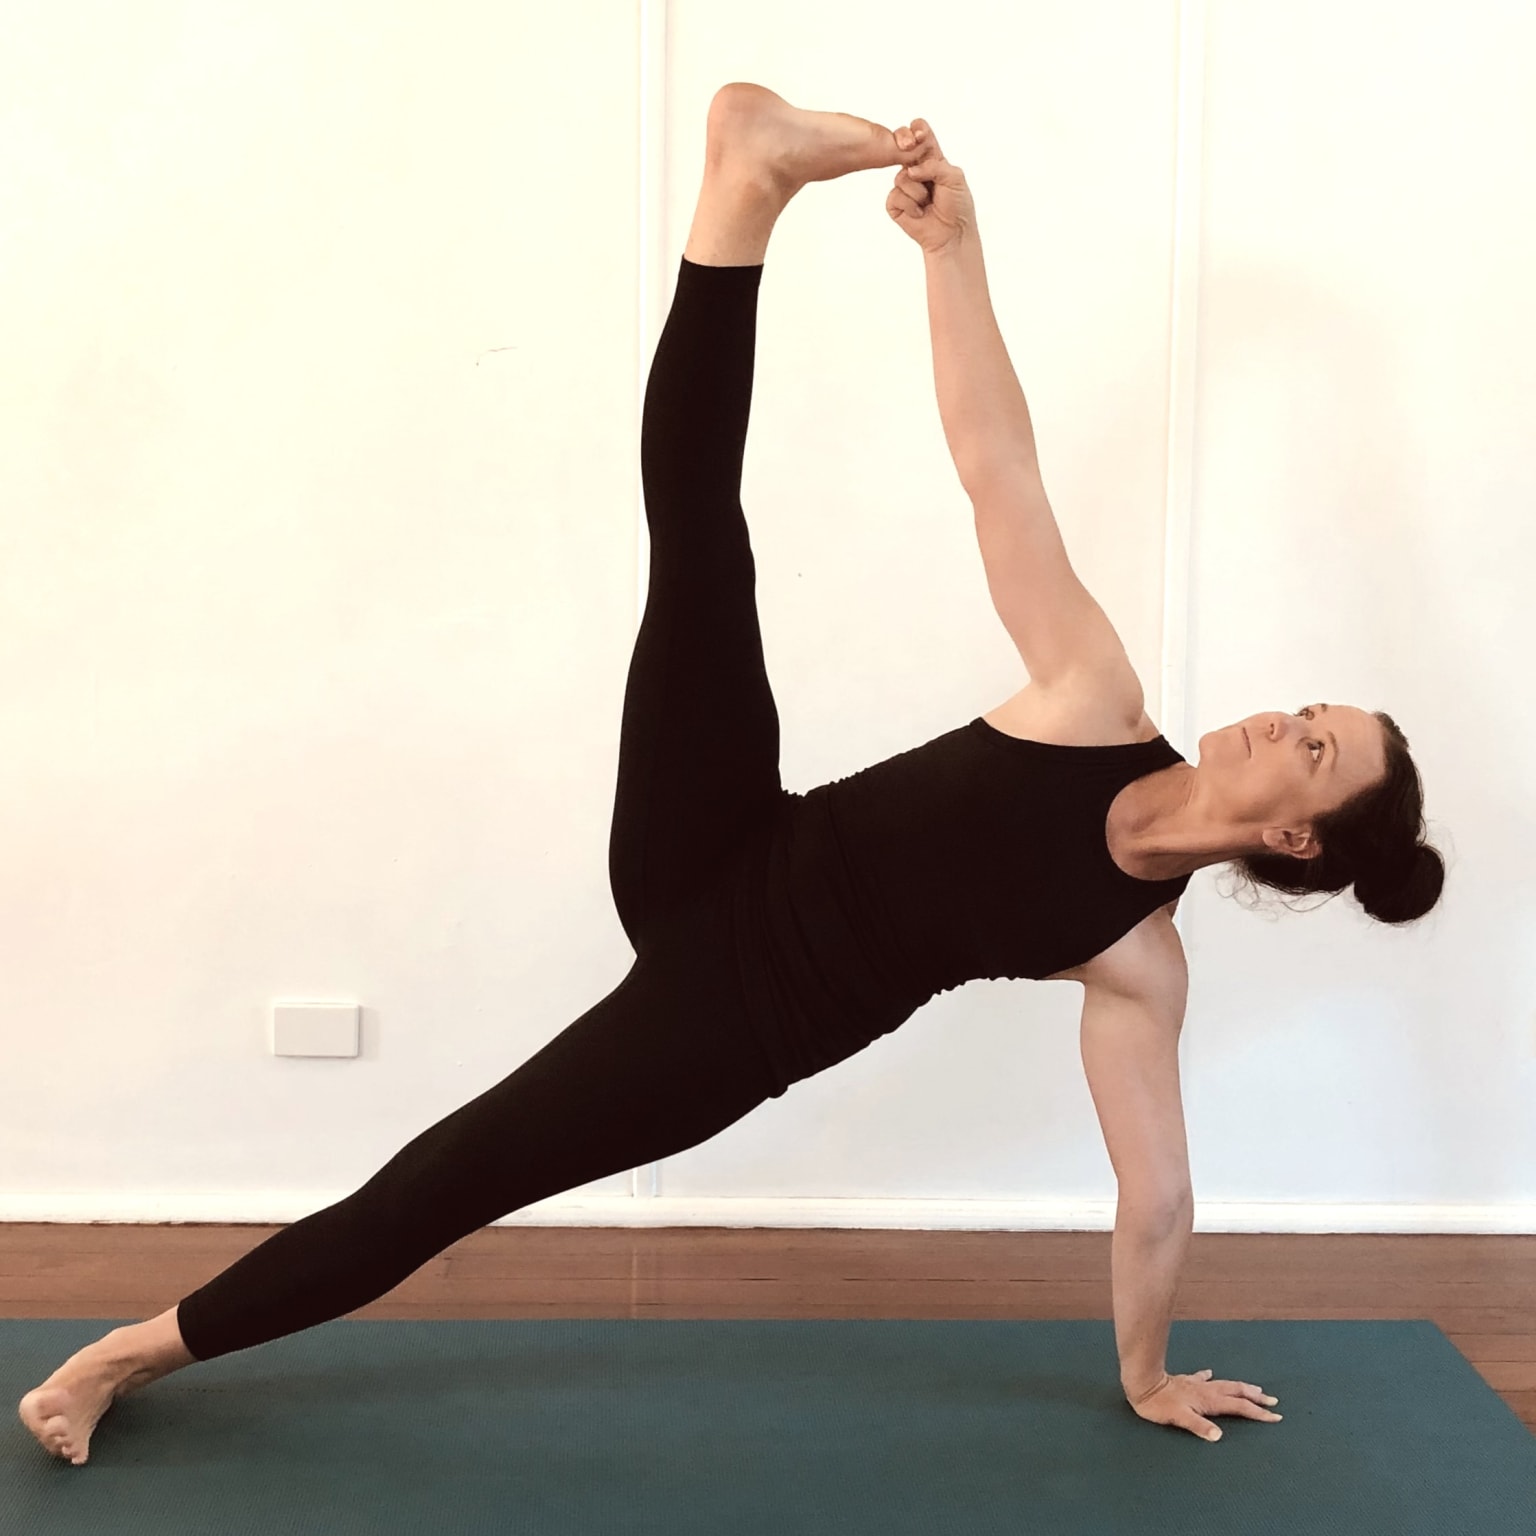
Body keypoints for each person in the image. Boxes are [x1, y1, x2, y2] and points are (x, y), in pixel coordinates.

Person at [19, 83, 1444, 1467]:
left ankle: (124, 1356)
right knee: (701, 540)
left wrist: (1144, 1372)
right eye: (1305, 708)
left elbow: (1158, 1195)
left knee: (451, 1179)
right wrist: (953, 251)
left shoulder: (1136, 960)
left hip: (729, 1027)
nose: (1279, 723)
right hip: (720, 841)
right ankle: (745, 180)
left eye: (1313, 749)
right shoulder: (1094, 696)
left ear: (1300, 841)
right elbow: (994, 461)